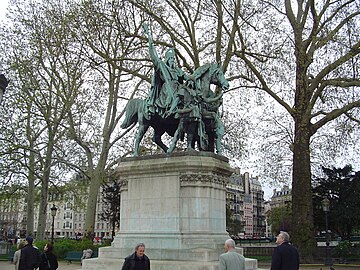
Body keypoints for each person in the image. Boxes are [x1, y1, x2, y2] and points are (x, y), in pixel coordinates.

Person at [142, 23, 193, 118]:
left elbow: (186, 77)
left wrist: (190, 79)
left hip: (178, 88)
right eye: (171, 59)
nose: (173, 61)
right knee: (176, 94)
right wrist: (149, 40)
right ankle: (169, 110)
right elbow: (154, 57)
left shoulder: (178, 70)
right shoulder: (162, 67)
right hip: (167, 89)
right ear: (167, 59)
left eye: (174, 59)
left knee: (186, 95)